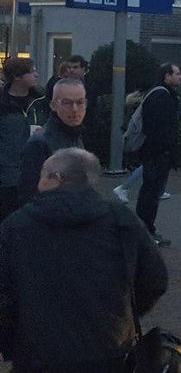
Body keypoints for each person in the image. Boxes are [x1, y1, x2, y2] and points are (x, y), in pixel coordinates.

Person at [0, 148, 168, 372]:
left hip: (37, 355)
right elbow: (155, 279)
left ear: (56, 178)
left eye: (41, 176)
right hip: (109, 350)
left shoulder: (14, 227)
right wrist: (123, 316)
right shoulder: (120, 219)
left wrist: (11, 341)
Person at [17, 78, 86, 206]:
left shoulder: (75, 134)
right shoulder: (40, 143)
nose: (75, 109)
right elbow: (28, 194)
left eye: (80, 102)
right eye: (67, 103)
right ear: (53, 105)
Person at [136, 63, 181, 247]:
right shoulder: (161, 97)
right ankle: (145, 230)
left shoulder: (159, 94)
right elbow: (160, 128)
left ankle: (145, 228)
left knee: (151, 191)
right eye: (177, 73)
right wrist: (166, 150)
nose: (180, 77)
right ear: (166, 76)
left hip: (155, 152)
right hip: (157, 153)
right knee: (151, 192)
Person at [0, 58, 43, 222]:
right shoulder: (3, 104)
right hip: (8, 178)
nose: (37, 75)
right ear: (17, 76)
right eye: (32, 72)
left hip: (37, 176)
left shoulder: (41, 101)